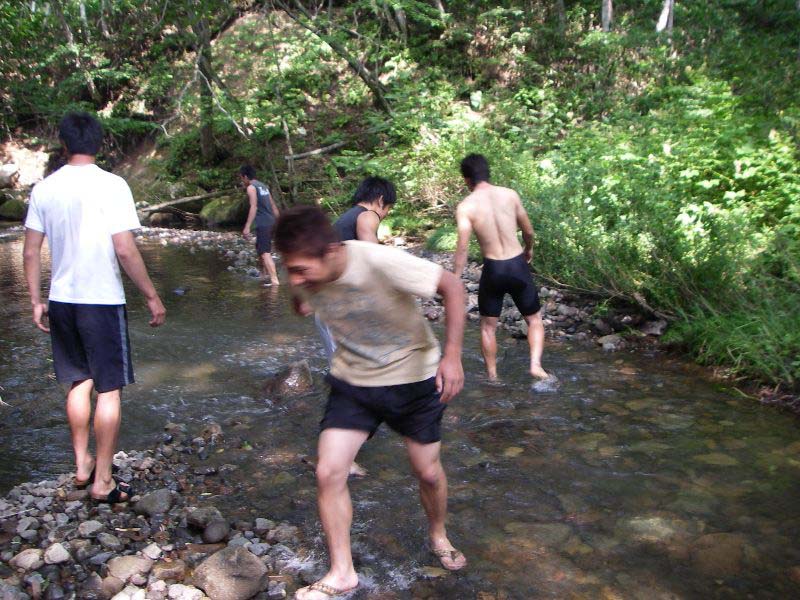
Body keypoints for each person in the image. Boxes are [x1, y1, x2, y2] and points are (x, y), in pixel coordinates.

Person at [275, 206, 467, 599]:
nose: (294, 279)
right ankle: (342, 572)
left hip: (413, 381)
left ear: (331, 252)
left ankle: (438, 533)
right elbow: (300, 296)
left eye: (300, 270)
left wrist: (452, 356)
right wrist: (301, 296)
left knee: (428, 473)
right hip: (354, 383)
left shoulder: (378, 261)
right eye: (290, 269)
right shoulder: (307, 273)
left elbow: (453, 287)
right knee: (329, 471)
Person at [22, 111, 166, 503]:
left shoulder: (44, 189)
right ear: (99, 144)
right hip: (101, 300)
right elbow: (124, 248)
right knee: (109, 389)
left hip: (62, 299)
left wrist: (35, 300)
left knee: (78, 382)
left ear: (63, 144)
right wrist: (151, 295)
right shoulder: (113, 185)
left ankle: (82, 465)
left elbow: (31, 251)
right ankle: (103, 481)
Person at [453, 153, 549, 381]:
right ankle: (535, 365)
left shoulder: (466, 207)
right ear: (488, 174)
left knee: (488, 327)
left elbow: (462, 248)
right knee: (534, 319)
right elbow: (528, 231)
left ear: (467, 179)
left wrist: (455, 279)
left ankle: (493, 376)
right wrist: (528, 249)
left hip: (493, 269)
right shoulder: (510, 195)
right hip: (517, 265)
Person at [240, 165, 280, 286]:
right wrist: (279, 221)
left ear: (245, 177)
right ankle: (263, 274)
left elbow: (254, 206)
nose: (242, 181)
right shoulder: (264, 186)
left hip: (263, 223)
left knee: (265, 252)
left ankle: (274, 281)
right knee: (260, 249)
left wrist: (247, 226)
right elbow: (273, 205)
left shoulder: (251, 187)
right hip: (271, 222)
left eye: (241, 178)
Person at [333, 175, 396, 243]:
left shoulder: (349, 216)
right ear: (381, 201)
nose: (387, 213)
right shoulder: (369, 215)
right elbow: (371, 248)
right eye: (389, 207)